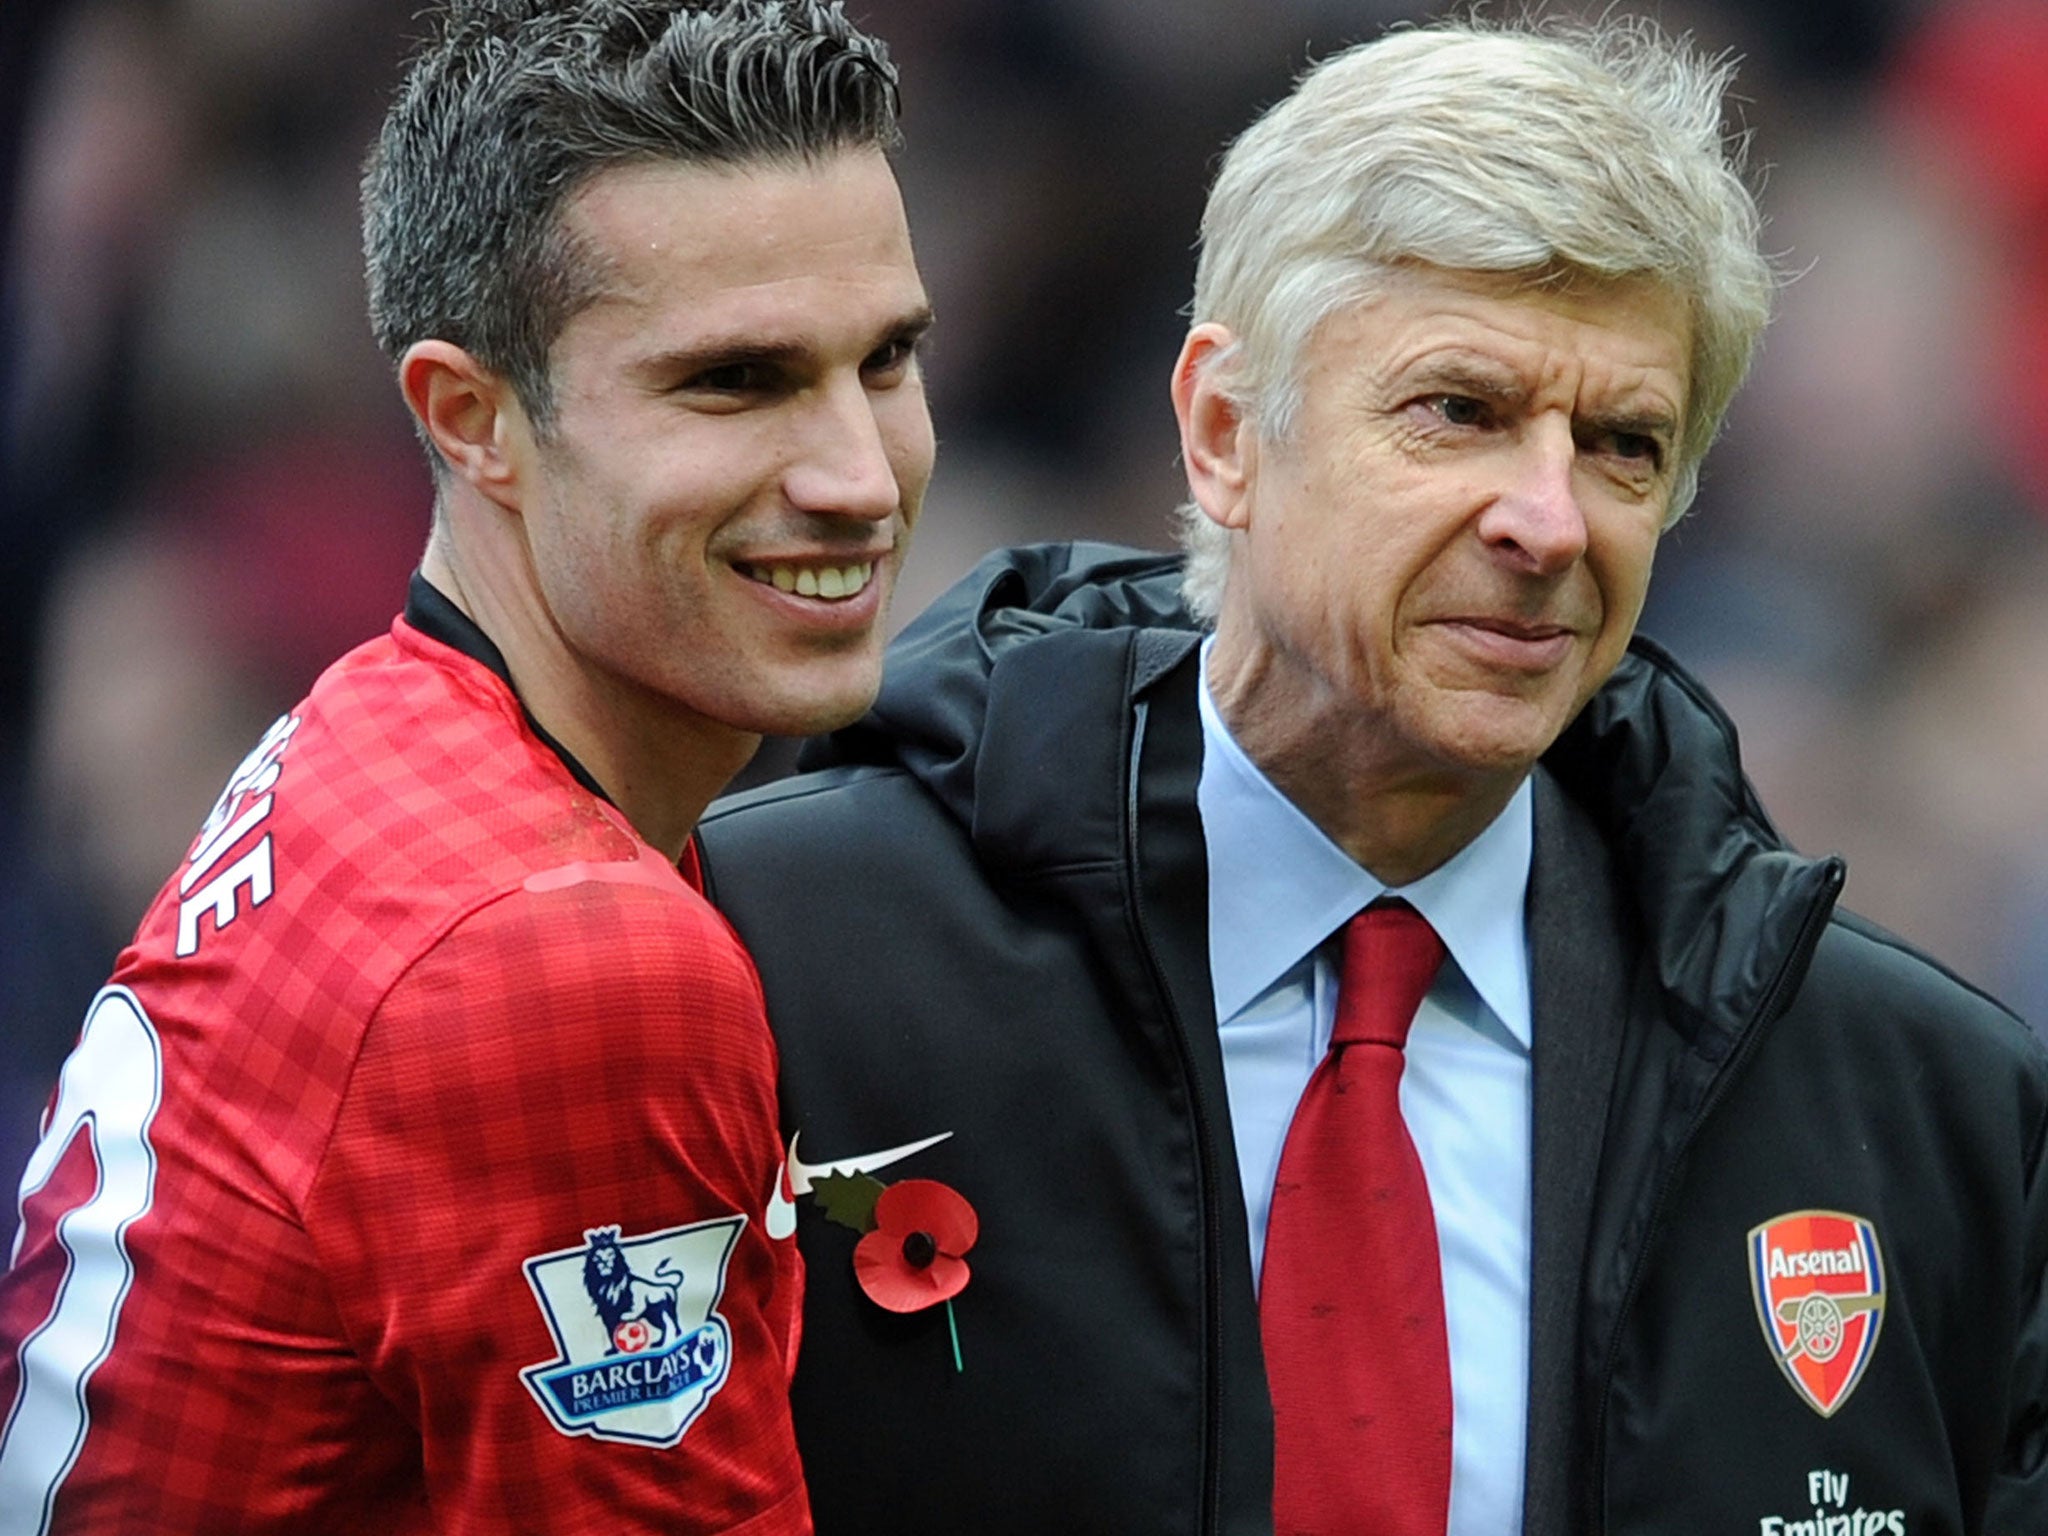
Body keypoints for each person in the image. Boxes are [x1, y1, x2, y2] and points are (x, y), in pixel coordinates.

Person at [695, 16, 2048, 1536]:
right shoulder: (772, 965)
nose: (1548, 520)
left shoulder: (1928, 1104)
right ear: (1222, 430)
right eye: (1457, 410)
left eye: (1621, 443)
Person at [0, 0, 932, 1529]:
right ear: (472, 417)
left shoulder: (381, 734)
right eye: (735, 382)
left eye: (886, 360)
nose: (857, 476)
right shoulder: (559, 952)